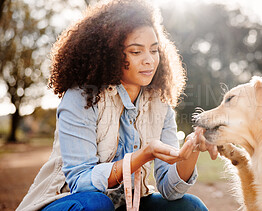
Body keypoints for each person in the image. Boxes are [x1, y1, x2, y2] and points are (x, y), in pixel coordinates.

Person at [16, 0, 217, 210]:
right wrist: (142, 155)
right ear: (110, 53)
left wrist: (192, 149)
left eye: (155, 50)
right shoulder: (82, 96)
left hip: (126, 204)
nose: (149, 60)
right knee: (97, 204)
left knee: (190, 206)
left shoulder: (160, 102)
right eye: (136, 52)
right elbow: (81, 183)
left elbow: (170, 189)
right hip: (68, 202)